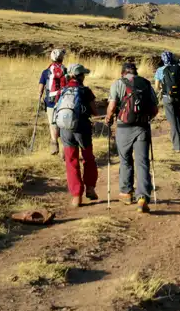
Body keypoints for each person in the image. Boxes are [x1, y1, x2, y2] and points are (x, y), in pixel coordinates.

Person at [104, 62, 158, 213]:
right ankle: (143, 197)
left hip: (124, 128)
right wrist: (146, 119)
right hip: (142, 128)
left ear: (123, 73)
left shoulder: (117, 84)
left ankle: (126, 193)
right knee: (143, 162)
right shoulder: (146, 84)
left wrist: (108, 118)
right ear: (136, 72)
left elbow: (112, 106)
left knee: (125, 160)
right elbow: (155, 109)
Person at [55, 64, 98, 207]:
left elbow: (56, 111)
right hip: (82, 128)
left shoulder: (62, 91)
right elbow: (95, 111)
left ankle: (76, 196)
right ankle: (90, 188)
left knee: (71, 161)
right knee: (88, 158)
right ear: (80, 76)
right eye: (83, 74)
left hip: (65, 130)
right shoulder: (85, 91)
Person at [154, 51, 180, 152]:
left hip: (167, 97)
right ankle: (179, 140)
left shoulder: (160, 70)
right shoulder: (178, 68)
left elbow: (156, 87)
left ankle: (177, 147)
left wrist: (163, 88)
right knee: (178, 119)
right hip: (179, 97)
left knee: (173, 122)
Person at [38, 49, 68, 155]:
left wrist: (40, 95)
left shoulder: (46, 72)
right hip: (64, 101)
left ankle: (54, 144)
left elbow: (41, 87)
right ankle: (65, 148)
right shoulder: (66, 70)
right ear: (62, 58)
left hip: (50, 101)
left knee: (52, 123)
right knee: (64, 124)